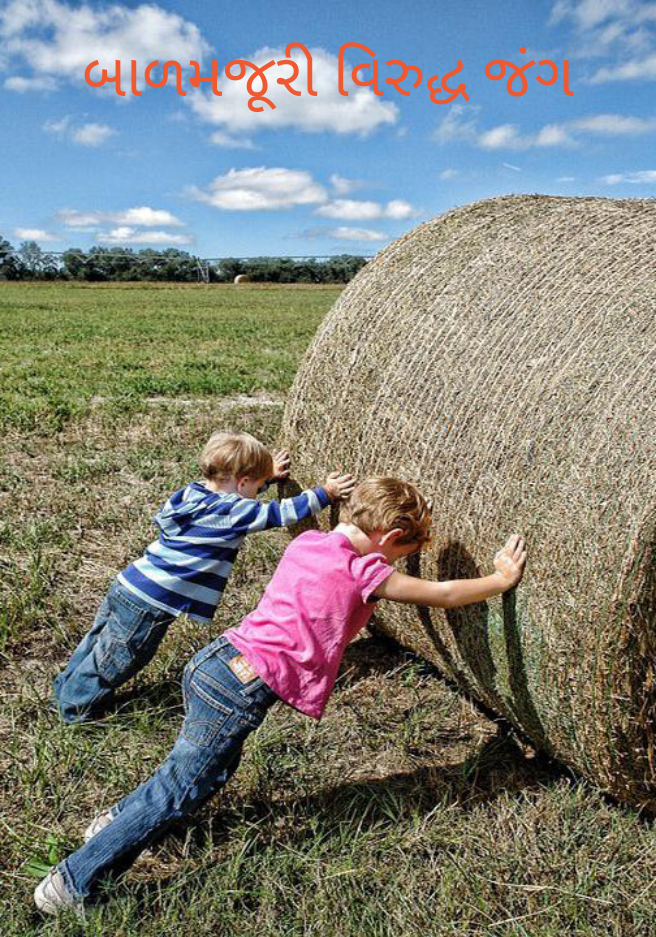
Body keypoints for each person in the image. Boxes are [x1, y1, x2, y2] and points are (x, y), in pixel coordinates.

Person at [35, 476, 527, 915]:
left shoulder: (309, 542)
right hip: (240, 688)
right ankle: (72, 881)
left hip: (216, 662)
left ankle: (116, 821)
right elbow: (442, 594)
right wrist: (500, 579)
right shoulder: (365, 574)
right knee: (181, 788)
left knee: (203, 773)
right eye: (406, 549)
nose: (400, 559)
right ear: (391, 536)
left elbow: (355, 550)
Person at [52, 430, 354, 724]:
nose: (259, 491)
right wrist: (325, 493)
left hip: (131, 583)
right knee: (120, 656)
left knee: (98, 640)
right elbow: (279, 513)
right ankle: (77, 710)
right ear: (242, 481)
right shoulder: (234, 511)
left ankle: (66, 687)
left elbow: (237, 498)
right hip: (152, 601)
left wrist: (266, 479)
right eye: (257, 484)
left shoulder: (193, 492)